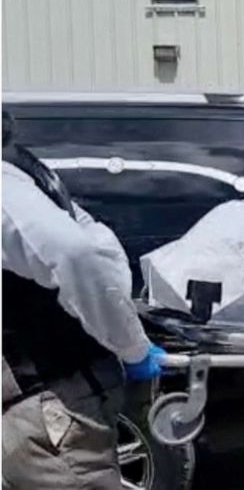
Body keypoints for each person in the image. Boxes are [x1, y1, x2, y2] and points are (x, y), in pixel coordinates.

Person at [2, 111, 166, 490]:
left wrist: (131, 347)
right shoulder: (21, 169)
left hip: (50, 398)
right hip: (50, 395)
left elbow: (77, 254)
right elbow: (96, 241)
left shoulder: (6, 188)